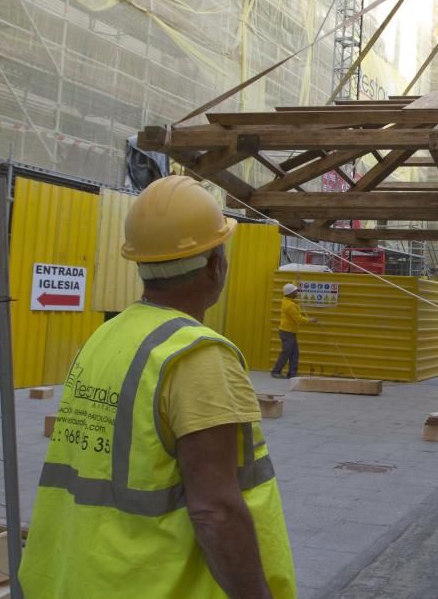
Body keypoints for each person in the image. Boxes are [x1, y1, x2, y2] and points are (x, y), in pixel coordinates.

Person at [19, 176, 295, 597]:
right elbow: (215, 512)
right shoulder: (197, 356)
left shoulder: (107, 336)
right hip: (155, 585)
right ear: (214, 265)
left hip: (79, 577)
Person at [271, 282, 316, 379]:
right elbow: (298, 318)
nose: (297, 292)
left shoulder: (288, 300)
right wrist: (310, 320)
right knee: (286, 352)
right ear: (290, 293)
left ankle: (292, 373)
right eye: (295, 291)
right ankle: (276, 371)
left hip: (289, 332)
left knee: (294, 353)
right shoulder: (290, 305)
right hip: (287, 332)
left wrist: (296, 282)